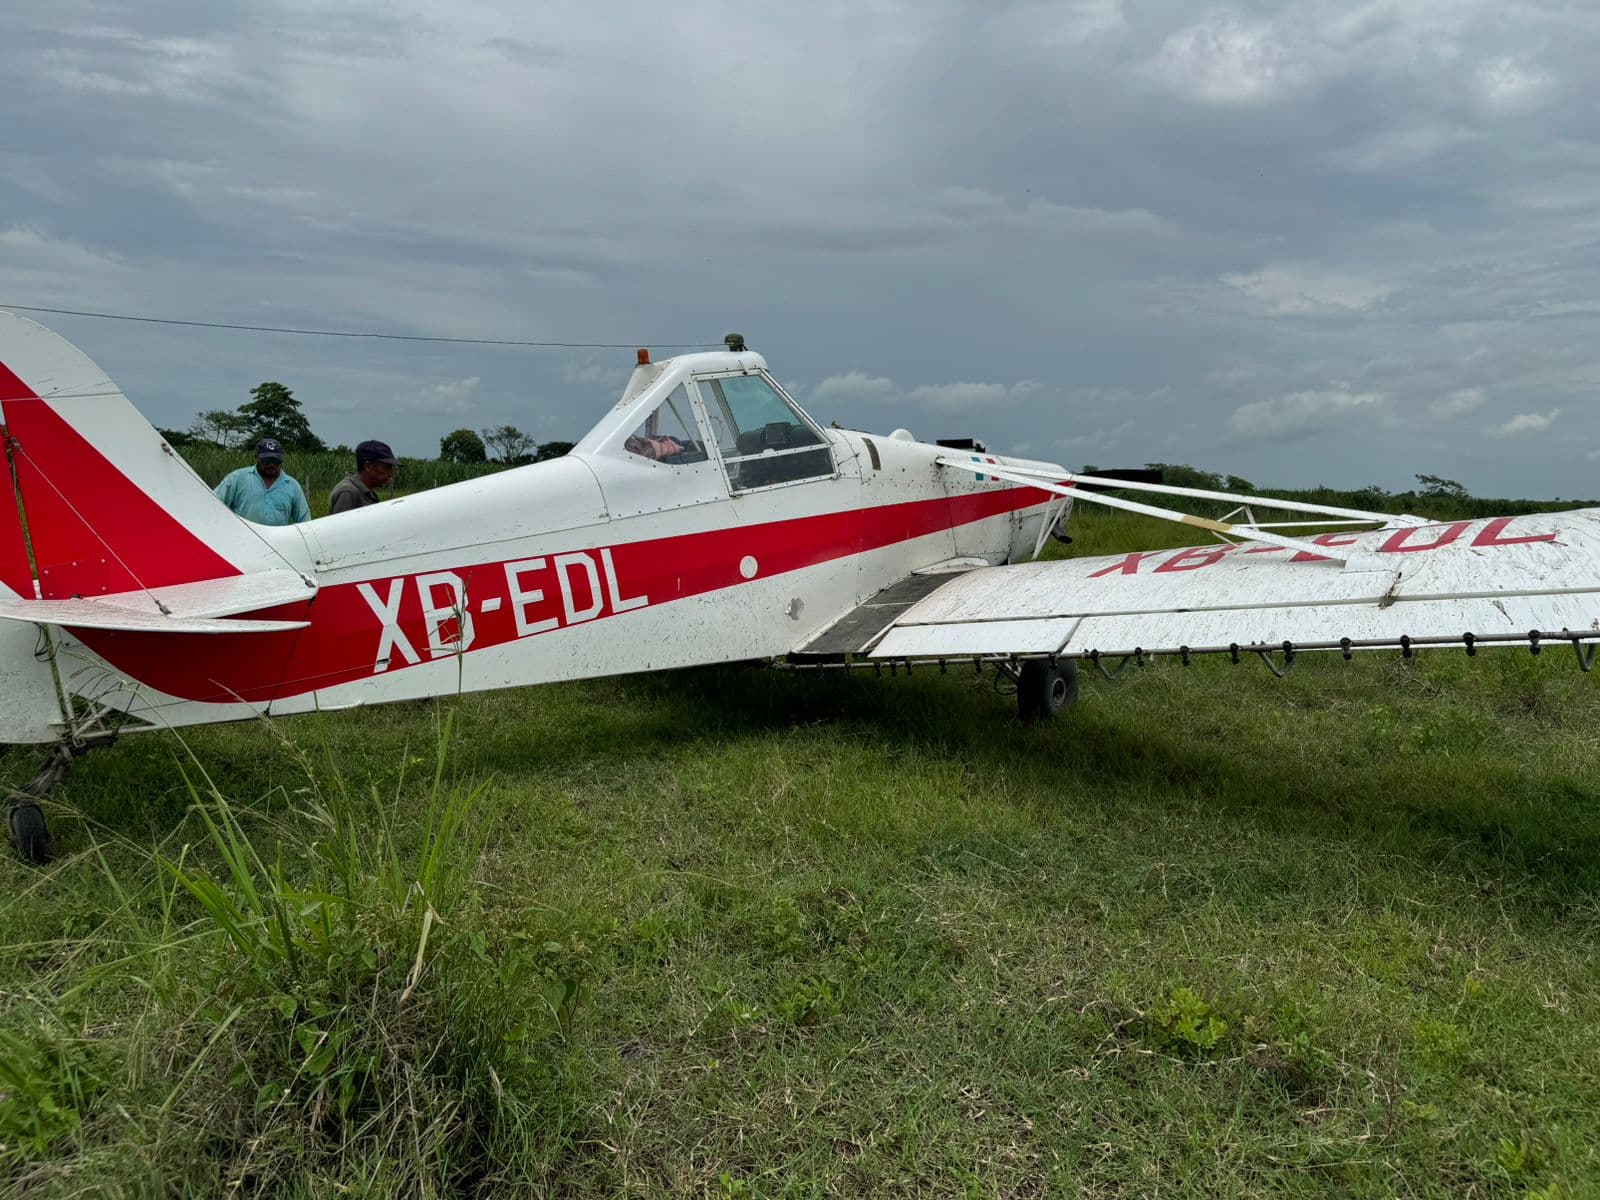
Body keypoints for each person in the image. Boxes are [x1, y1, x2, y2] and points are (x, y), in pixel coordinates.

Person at [213, 438, 311, 526]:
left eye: (276, 461)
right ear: (256, 458)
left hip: (275, 544)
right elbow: (213, 503)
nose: (271, 465)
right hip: (240, 541)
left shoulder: (292, 486)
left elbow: (304, 520)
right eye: (266, 460)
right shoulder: (237, 478)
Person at [328, 439, 398, 514]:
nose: (391, 474)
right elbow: (342, 525)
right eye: (387, 467)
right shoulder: (348, 493)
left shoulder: (368, 491)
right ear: (368, 466)